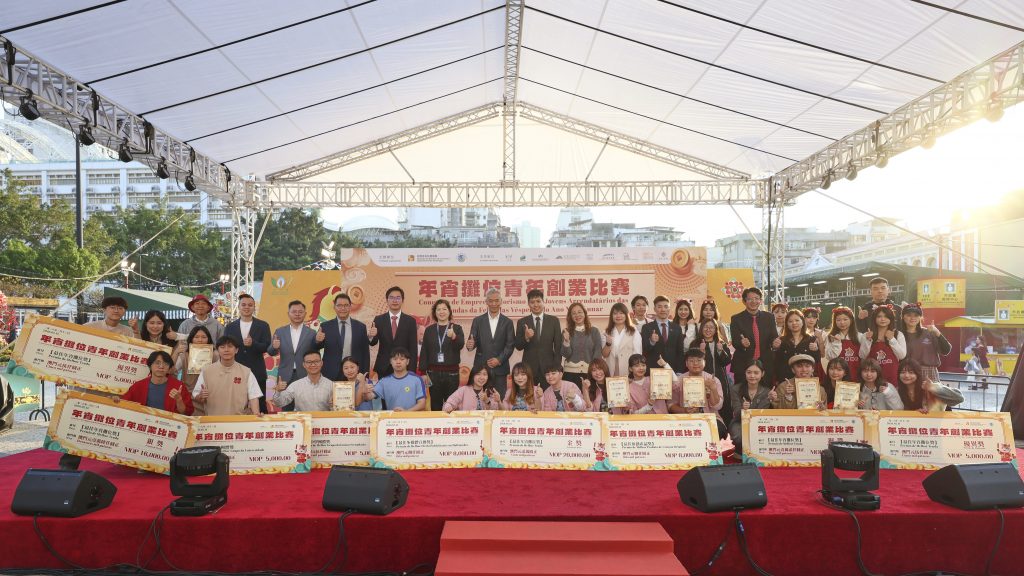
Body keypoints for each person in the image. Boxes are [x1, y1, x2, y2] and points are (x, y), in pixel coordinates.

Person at [224, 294, 272, 414]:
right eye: (244, 305)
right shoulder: (230, 327)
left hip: (257, 371)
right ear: (239, 307)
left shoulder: (263, 325)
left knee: (260, 405)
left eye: (250, 305)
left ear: (254, 307)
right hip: (235, 371)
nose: (247, 307)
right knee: (236, 404)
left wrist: (253, 343)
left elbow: (267, 347)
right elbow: (226, 347)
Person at [192, 335, 263, 416]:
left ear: (236, 350)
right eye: (222, 347)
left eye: (230, 346)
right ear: (217, 350)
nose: (226, 350)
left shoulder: (246, 371)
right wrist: (201, 396)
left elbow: (254, 396)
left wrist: (256, 413)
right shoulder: (206, 371)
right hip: (213, 420)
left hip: (239, 420)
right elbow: (196, 395)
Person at [268, 300, 319, 410]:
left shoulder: (311, 333)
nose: (297, 314)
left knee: (306, 406)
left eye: (300, 312)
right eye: (294, 312)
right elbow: (271, 352)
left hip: (305, 374)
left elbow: (315, 353)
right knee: (286, 408)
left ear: (305, 314)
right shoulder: (280, 331)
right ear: (288, 314)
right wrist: (274, 347)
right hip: (285, 376)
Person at [668, 349, 727, 439]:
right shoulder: (678, 381)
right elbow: (670, 405)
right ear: (686, 363)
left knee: (717, 430)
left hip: (709, 418)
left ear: (704, 362)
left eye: (699, 360)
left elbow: (717, 407)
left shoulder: (712, 380)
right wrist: (684, 410)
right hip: (685, 419)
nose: (695, 363)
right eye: (691, 361)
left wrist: (713, 389)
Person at [467, 288, 515, 395]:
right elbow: (472, 341)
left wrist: (499, 359)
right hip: (481, 369)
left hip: (500, 369)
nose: (494, 304)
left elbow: (510, 345)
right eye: (491, 301)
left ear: (501, 301)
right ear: (486, 302)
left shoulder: (508, 322)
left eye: (496, 300)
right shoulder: (477, 321)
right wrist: (470, 345)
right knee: (481, 399)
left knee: (499, 398)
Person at [419, 298, 465, 411]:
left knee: (452, 405)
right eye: (438, 309)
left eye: (444, 309)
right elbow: (424, 351)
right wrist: (423, 372)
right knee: (435, 405)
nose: (441, 312)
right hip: (433, 374)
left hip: (452, 374)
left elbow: (460, 345)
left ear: (449, 311)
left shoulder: (457, 328)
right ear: (435, 313)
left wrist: (453, 336)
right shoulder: (429, 330)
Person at [730, 287, 779, 385]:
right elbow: (735, 341)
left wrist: (775, 344)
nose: (753, 301)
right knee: (742, 391)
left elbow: (773, 337)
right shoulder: (736, 319)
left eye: (756, 298)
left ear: (760, 301)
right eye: (750, 299)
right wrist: (741, 343)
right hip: (743, 363)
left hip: (765, 363)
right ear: (744, 301)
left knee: (766, 391)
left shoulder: (769, 317)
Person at [120, 350, 193, 415]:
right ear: (150, 366)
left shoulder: (178, 386)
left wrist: (179, 400)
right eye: (157, 363)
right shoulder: (138, 386)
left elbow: (187, 412)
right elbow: (123, 403)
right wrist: (116, 401)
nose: (161, 366)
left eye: (166, 364)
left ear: (169, 369)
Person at [514, 289, 562, 388]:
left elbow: (558, 347)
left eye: (538, 301)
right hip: (529, 368)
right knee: (530, 395)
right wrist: (526, 337)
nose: (535, 305)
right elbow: (518, 346)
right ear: (528, 304)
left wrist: (556, 368)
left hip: (549, 369)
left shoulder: (554, 321)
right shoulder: (522, 322)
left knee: (549, 395)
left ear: (543, 302)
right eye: (532, 302)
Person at [368, 286, 419, 378]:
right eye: (391, 298)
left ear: (402, 300)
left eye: (398, 298)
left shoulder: (410, 321)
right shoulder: (378, 319)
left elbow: (413, 348)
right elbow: (373, 342)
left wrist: (411, 370)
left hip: (404, 366)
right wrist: (371, 336)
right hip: (384, 366)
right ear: (387, 300)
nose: (395, 301)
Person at [320, 293, 370, 381]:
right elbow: (316, 347)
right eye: (339, 305)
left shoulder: (360, 327)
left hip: (354, 373)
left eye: (346, 305)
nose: (343, 308)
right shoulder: (325, 326)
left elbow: (365, 353)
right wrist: (317, 340)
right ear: (334, 307)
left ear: (350, 307)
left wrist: (364, 375)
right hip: (330, 372)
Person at [692, 318, 732, 426]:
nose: (708, 330)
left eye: (711, 327)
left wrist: (720, 350)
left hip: (720, 379)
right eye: (706, 327)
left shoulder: (721, 343)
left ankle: (723, 428)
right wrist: (701, 351)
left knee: (721, 403)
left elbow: (727, 361)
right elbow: (692, 363)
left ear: (716, 329)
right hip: (702, 379)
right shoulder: (695, 343)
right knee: (704, 403)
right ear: (701, 329)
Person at [901, 302, 952, 383]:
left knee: (931, 392)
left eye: (916, 315)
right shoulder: (899, 335)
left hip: (929, 373)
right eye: (909, 315)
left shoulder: (929, 332)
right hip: (908, 373)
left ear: (920, 317)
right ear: (903, 317)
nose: (912, 318)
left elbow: (946, 350)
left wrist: (937, 332)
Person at [730, 360, 772, 456]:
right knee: (739, 436)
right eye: (749, 372)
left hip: (760, 423)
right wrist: (743, 409)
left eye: (756, 373)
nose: (752, 376)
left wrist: (769, 399)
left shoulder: (767, 391)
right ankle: (739, 450)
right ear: (745, 373)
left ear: (762, 374)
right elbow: (736, 413)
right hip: (739, 421)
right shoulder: (735, 389)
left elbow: (762, 414)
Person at [858, 305, 906, 386]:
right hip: (871, 378)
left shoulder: (898, 334)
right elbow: (862, 356)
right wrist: (868, 340)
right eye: (879, 316)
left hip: (892, 377)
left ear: (891, 318)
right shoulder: (867, 335)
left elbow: (902, 356)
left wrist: (892, 339)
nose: (883, 319)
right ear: (874, 318)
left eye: (886, 316)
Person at [897, 358, 963, 413]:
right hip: (915, 423)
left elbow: (959, 398)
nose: (906, 375)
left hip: (939, 422)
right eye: (902, 372)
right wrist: (915, 413)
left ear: (917, 374)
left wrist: (933, 388)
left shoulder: (928, 386)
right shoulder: (898, 391)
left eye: (911, 372)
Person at [640, 295, 687, 373]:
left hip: (672, 370)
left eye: (666, 306)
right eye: (659, 307)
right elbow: (644, 350)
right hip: (653, 370)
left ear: (669, 309)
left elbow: (680, 352)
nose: (663, 309)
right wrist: (651, 342)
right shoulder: (646, 328)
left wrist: (679, 372)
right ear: (654, 309)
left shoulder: (677, 328)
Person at [561, 302, 603, 386]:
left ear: (584, 313)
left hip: (589, 373)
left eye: (580, 312)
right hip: (570, 374)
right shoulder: (566, 331)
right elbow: (565, 354)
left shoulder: (594, 331)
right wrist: (566, 341)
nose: (577, 315)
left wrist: (594, 370)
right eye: (574, 313)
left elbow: (598, 352)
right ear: (570, 316)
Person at [774, 309, 821, 384]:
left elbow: (817, 360)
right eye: (790, 321)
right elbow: (777, 362)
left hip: (805, 380)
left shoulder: (812, 339)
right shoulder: (781, 340)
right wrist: (775, 348)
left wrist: (815, 350)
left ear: (802, 322)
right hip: (786, 380)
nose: (794, 323)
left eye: (797, 320)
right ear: (787, 324)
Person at [372, 347, 426, 411]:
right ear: (390, 361)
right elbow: (369, 396)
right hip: (392, 417)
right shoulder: (384, 381)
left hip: (411, 416)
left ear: (408, 361)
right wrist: (364, 387)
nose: (398, 362)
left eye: (402, 359)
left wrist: (406, 412)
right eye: (395, 359)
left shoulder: (417, 379)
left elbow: (422, 404)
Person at [175, 325, 213, 403]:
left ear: (208, 339)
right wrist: (176, 353)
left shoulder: (215, 354)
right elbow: (172, 370)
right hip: (188, 395)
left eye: (204, 337)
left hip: (209, 395)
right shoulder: (184, 355)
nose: (200, 340)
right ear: (191, 339)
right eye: (196, 337)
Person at [602, 302, 641, 377]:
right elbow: (604, 355)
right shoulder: (606, 332)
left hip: (628, 369)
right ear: (611, 316)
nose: (618, 316)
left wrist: (635, 371)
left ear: (626, 315)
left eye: (621, 313)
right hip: (611, 369)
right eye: (615, 313)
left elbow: (637, 353)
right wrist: (608, 344)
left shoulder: (634, 331)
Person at [824, 306, 862, 382]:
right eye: (838, 320)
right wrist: (836, 343)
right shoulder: (830, 336)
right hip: (836, 377)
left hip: (855, 375)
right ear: (834, 321)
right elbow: (830, 357)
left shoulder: (860, 336)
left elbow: (864, 355)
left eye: (845, 319)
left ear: (851, 320)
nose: (842, 323)